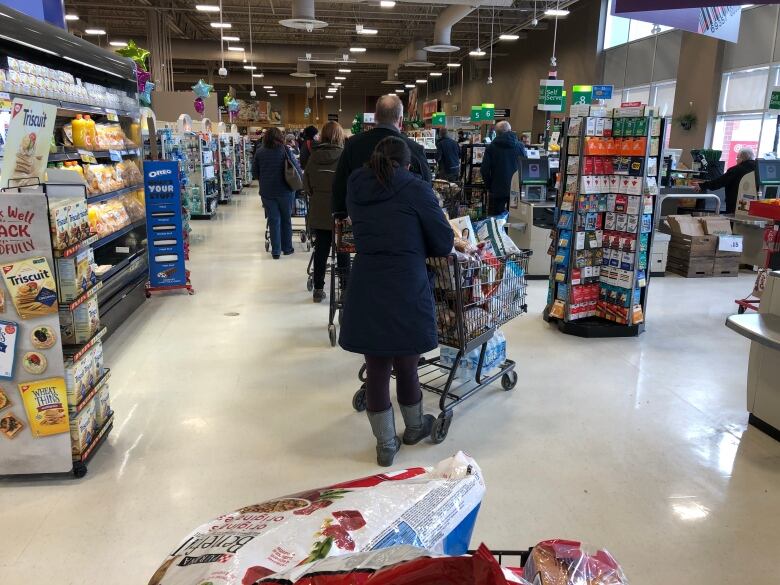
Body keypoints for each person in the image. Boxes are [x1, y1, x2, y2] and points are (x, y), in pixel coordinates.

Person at [339, 137, 454, 467]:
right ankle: (415, 428)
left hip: (367, 283)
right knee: (407, 362)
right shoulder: (415, 188)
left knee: (376, 367)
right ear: (406, 164)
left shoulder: (356, 183)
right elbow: (443, 241)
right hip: (406, 283)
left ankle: (385, 444)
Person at [332, 94, 432, 216]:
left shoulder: (353, 145)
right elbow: (427, 188)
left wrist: (341, 213)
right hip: (404, 222)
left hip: (362, 223)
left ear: (375, 117)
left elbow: (340, 185)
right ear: (400, 121)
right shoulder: (415, 149)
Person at [303, 121, 347, 303]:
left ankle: (319, 289)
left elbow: (307, 184)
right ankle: (345, 289)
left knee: (321, 250)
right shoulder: (345, 157)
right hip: (340, 211)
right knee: (343, 250)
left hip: (319, 211)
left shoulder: (313, 157)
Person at [252, 127, 303, 259]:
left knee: (273, 220)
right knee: (286, 219)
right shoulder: (285, 150)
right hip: (285, 190)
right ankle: (287, 248)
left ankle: (276, 251)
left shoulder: (259, 152)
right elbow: (295, 167)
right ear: (280, 137)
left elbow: (255, 173)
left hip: (267, 192)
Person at [481, 120, 528, 216]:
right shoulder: (520, 146)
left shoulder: (491, 148)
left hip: (497, 188)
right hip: (515, 188)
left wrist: (489, 185)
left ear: (497, 133)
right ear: (510, 130)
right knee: (514, 215)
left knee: (497, 217)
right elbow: (525, 166)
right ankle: (510, 231)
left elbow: (484, 170)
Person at [694, 147, 757, 214]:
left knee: (734, 221)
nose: (736, 160)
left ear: (741, 159)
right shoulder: (758, 169)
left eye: (737, 158)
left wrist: (703, 185)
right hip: (753, 203)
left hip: (736, 203)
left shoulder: (736, 170)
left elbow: (720, 182)